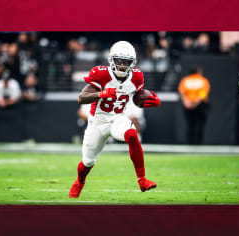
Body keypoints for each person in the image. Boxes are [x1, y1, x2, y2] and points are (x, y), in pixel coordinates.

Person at [69, 41, 161, 198]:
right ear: (111, 59)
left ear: (133, 63)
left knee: (132, 135)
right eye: (119, 60)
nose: (122, 65)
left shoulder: (137, 76)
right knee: (88, 162)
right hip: (97, 123)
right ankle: (80, 181)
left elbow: (136, 98)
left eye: (126, 62)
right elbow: (81, 98)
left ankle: (142, 179)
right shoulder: (101, 74)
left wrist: (151, 100)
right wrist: (100, 94)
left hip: (117, 119)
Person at [178, 67, 211, 144]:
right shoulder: (203, 80)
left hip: (188, 105)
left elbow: (182, 92)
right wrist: (196, 102)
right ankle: (198, 144)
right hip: (200, 105)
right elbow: (203, 93)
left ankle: (190, 143)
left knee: (190, 125)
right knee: (200, 125)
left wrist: (186, 102)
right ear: (198, 72)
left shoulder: (185, 80)